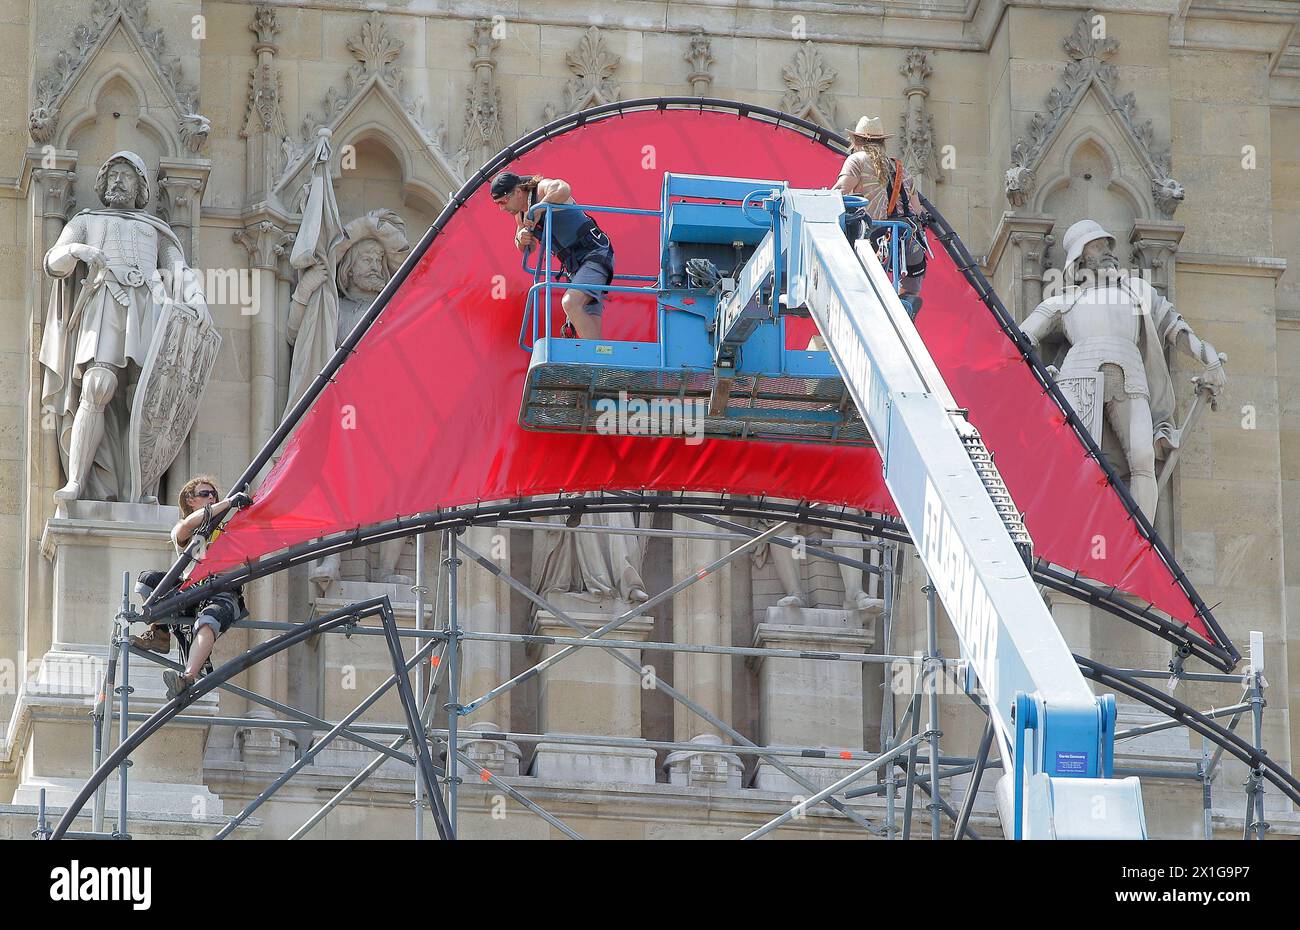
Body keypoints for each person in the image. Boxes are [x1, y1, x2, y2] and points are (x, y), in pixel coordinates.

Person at [156, 475, 250, 700]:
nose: (211, 497)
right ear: (190, 500)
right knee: (151, 581)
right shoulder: (184, 529)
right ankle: (158, 632)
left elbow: (248, 562)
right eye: (205, 494)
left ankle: (187, 677)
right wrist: (228, 503)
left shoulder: (227, 530)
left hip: (221, 591)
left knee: (208, 623)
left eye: (214, 495)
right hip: (193, 591)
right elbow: (190, 523)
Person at [491, 171, 614, 340]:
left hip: (594, 253)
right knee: (587, 322)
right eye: (497, 204)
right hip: (574, 267)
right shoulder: (520, 214)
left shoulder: (541, 190)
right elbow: (527, 245)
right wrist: (521, 238)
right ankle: (599, 362)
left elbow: (563, 187)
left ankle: (598, 360)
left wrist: (540, 208)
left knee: (571, 303)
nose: (502, 208)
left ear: (518, 192)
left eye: (503, 201)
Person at [834, 116, 929, 319]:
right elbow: (919, 212)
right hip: (904, 243)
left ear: (857, 141)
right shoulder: (903, 171)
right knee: (912, 282)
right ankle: (906, 301)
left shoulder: (856, 160)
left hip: (870, 242)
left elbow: (838, 193)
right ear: (882, 142)